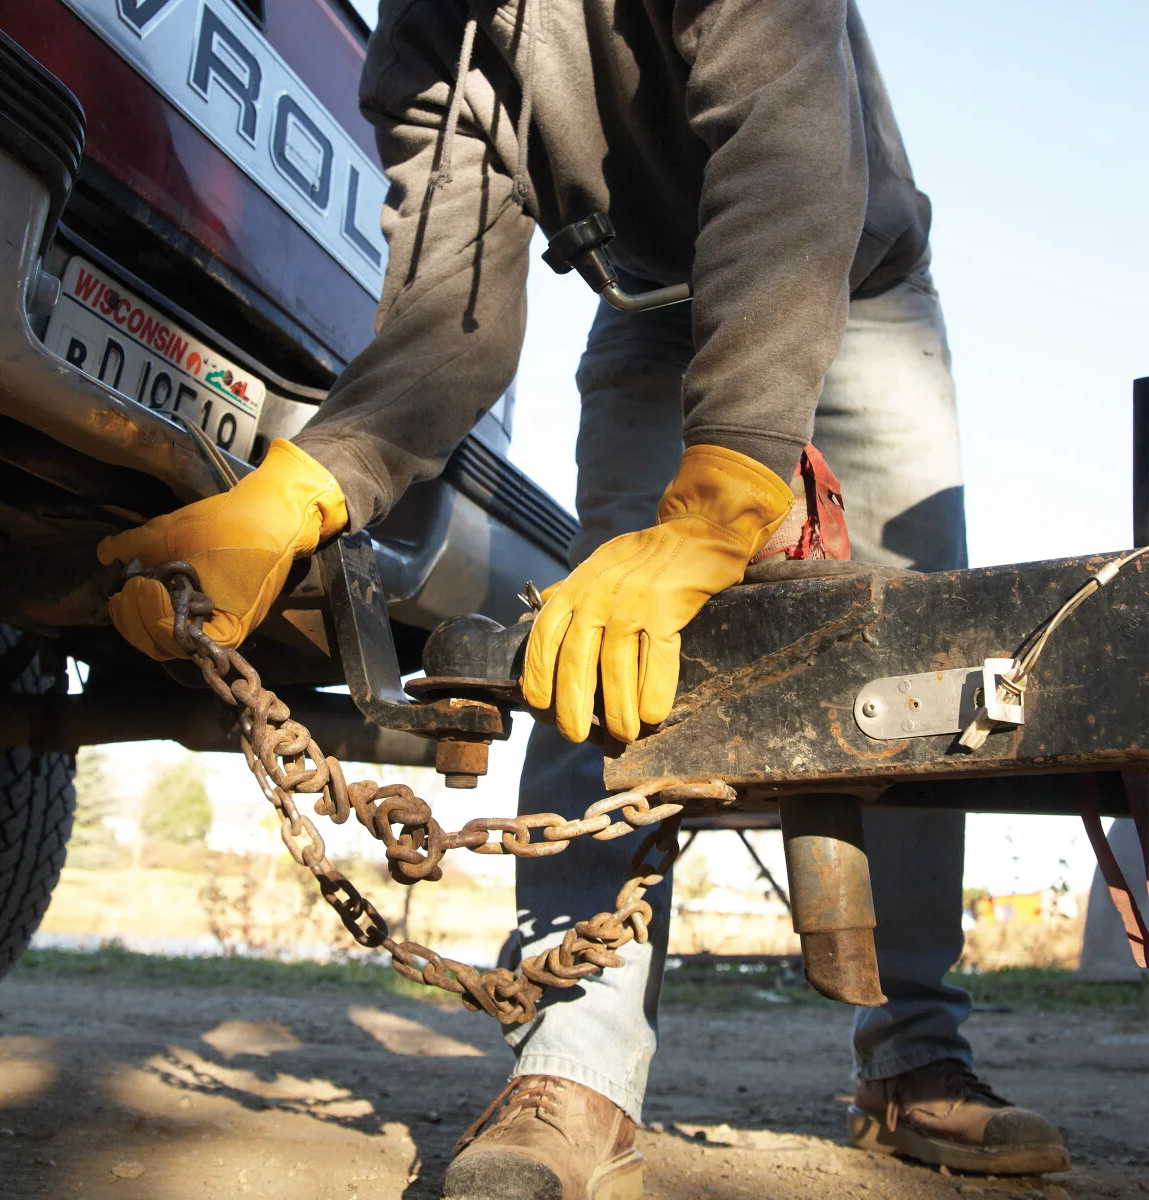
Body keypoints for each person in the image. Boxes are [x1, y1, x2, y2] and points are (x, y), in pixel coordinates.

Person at [97, 2, 1071, 1196]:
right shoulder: (430, 42)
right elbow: (443, 322)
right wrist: (306, 488)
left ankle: (919, 1057)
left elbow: (790, 150)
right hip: (650, 318)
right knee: (593, 652)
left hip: (856, 282)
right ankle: (577, 1059)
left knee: (918, 671)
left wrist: (728, 486)